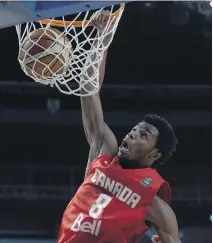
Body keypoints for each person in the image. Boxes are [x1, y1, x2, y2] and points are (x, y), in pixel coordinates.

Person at [58, 11, 181, 243]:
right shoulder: (103, 154)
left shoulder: (155, 205)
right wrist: (102, 39)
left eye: (142, 135)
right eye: (134, 130)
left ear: (154, 154)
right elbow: (88, 90)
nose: (132, 134)